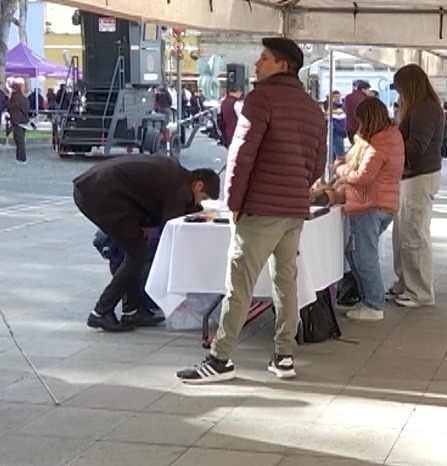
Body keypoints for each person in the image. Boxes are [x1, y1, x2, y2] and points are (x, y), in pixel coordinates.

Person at [177, 37, 326, 384]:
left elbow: (241, 156)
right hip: (293, 210)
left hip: (260, 208)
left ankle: (221, 358)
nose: (257, 63)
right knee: (285, 282)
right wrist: (295, 187)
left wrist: (233, 204)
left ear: (282, 65)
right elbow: (317, 164)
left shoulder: (261, 99)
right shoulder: (310, 107)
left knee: (239, 284)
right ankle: (284, 355)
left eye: (264, 58)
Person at [73, 156, 220, 332]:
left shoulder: (176, 175)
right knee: (138, 255)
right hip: (99, 194)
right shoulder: (178, 187)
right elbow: (169, 225)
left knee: (137, 251)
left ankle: (132, 310)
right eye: (202, 198)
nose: (199, 202)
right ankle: (101, 311)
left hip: (96, 188)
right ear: (198, 185)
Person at [334, 98, 404, 321]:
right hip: (381, 204)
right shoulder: (391, 135)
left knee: (364, 256)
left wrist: (340, 169)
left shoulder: (379, 142)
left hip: (370, 205)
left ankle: (374, 304)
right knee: (355, 253)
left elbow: (363, 177)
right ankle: (367, 300)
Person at [386, 64, 443, 308]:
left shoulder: (425, 109)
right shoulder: (418, 108)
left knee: (414, 235)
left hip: (419, 177)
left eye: (400, 90)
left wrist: (390, 145)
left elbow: (417, 145)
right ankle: (405, 283)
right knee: (402, 234)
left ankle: (420, 291)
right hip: (410, 177)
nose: (398, 96)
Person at [7, 81, 30, 165]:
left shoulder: (15, 99)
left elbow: (9, 106)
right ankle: (19, 158)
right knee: (20, 141)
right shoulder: (24, 98)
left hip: (17, 122)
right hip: (23, 121)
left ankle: (22, 159)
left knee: (19, 141)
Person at [330, 90, 348, 157]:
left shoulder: (343, 106)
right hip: (336, 131)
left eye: (339, 97)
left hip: (341, 130)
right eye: (335, 97)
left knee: (335, 153)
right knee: (340, 154)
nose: (338, 98)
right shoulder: (330, 107)